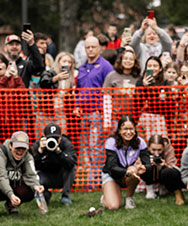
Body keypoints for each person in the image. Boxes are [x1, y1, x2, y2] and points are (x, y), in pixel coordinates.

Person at [0, 131, 44, 221]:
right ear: (10, 145)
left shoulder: (27, 156)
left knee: (31, 188)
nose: (20, 151)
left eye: (23, 148)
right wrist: (10, 194)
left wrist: (36, 186)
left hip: (11, 186)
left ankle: (10, 205)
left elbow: (31, 174)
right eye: (17, 147)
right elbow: (1, 176)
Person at [76, 35, 114, 187]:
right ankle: (91, 177)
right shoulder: (82, 67)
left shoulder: (106, 66)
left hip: (97, 114)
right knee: (87, 147)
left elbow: (109, 92)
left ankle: (96, 180)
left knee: (96, 147)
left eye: (93, 47)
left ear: (99, 48)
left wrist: (106, 117)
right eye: (87, 47)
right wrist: (77, 105)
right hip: (83, 114)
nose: (90, 50)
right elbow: (79, 90)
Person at [101, 115, 147, 210]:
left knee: (135, 169)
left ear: (135, 129)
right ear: (119, 131)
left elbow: (148, 164)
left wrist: (144, 167)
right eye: (125, 129)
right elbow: (111, 166)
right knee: (113, 206)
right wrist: (126, 172)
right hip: (112, 175)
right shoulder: (111, 142)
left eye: (131, 129)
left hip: (129, 175)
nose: (128, 132)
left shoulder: (140, 142)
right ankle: (106, 197)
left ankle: (129, 198)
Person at [0, 53, 26, 143]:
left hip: (14, 122)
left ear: (6, 65)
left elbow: (23, 94)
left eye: (1, 62)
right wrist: (5, 78)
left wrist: (17, 78)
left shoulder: (14, 79)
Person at [32, 123, 77, 205]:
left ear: (60, 138)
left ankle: (65, 196)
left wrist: (59, 152)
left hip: (61, 177)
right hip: (45, 176)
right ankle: (45, 194)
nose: (53, 140)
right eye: (50, 138)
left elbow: (72, 162)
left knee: (72, 168)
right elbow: (31, 166)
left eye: (56, 138)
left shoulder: (66, 143)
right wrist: (39, 152)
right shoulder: (39, 144)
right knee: (35, 176)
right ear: (44, 138)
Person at [138, 134, 185, 204]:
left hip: (163, 173)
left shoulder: (169, 148)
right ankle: (150, 191)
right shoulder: (143, 150)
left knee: (168, 171)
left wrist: (164, 164)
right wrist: (147, 162)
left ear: (163, 147)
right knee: (145, 167)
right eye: (153, 150)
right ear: (148, 147)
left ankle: (165, 187)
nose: (156, 153)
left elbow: (173, 166)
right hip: (150, 174)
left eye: (159, 150)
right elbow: (138, 166)